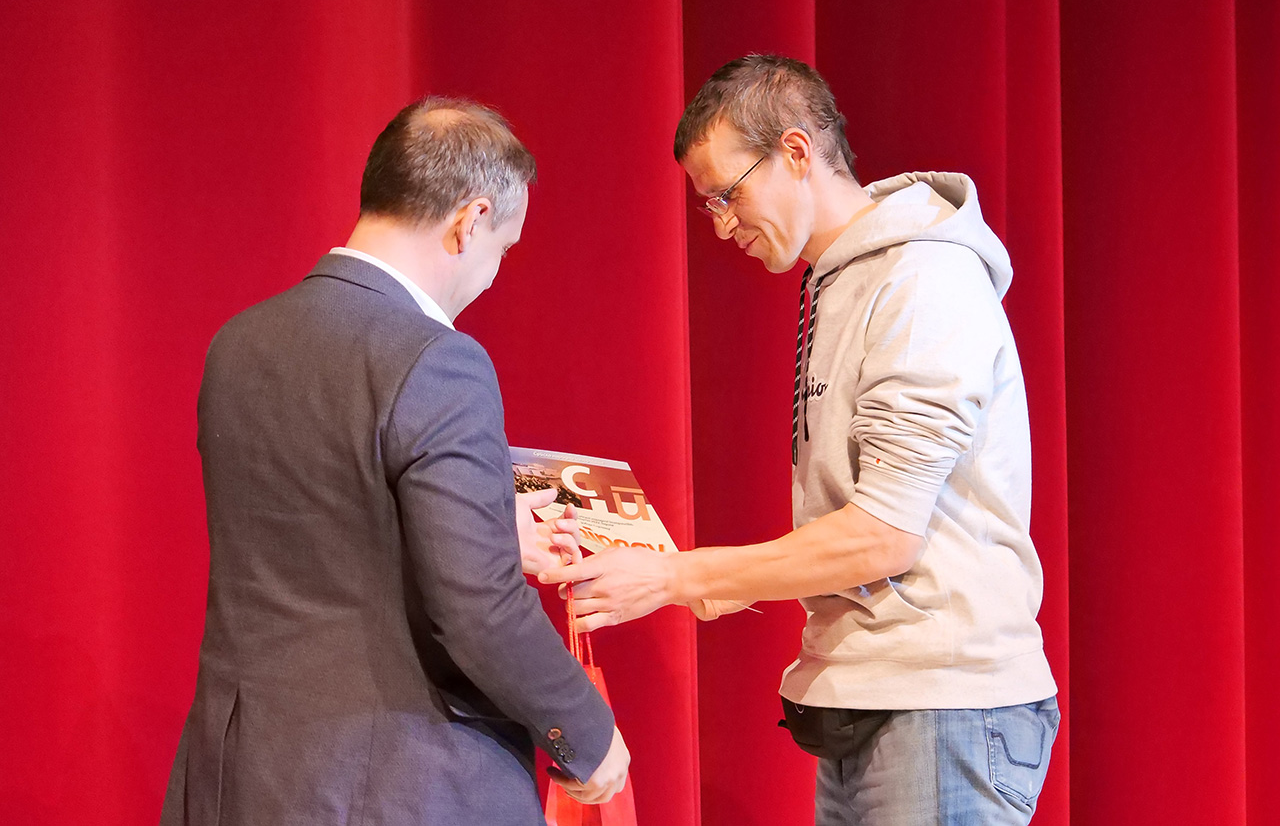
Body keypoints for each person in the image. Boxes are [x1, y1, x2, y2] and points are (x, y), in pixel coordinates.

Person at [540, 55, 1058, 824]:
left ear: (794, 151)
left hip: (940, 704)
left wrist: (675, 576)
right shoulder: (839, 281)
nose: (723, 224)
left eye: (729, 194)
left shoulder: (922, 281)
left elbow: (883, 537)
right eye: (709, 205)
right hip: (871, 701)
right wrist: (662, 563)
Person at [161, 97, 629, 826]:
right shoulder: (439, 360)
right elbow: (478, 610)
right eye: (504, 248)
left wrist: (487, 525)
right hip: (396, 784)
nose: (493, 273)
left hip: (238, 777)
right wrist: (586, 734)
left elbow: (325, 534)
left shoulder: (238, 344)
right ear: (470, 221)